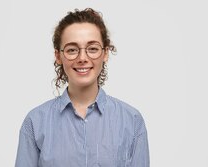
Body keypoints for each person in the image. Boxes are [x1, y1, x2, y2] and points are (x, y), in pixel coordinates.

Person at [15, 8, 150, 167]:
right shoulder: (35, 122)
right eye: (72, 50)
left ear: (105, 53)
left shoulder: (132, 121)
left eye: (92, 48)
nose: (82, 58)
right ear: (58, 56)